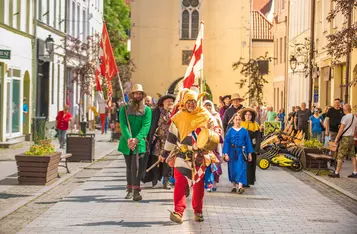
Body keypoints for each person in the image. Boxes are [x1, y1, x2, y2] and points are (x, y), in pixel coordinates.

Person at [158, 89, 222, 224]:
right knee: (180, 183)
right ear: (184, 103)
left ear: (197, 102)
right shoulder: (178, 117)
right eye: (189, 102)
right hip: (182, 155)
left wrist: (213, 130)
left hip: (199, 156)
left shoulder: (206, 115)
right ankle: (178, 212)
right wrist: (164, 153)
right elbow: (171, 137)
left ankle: (198, 211)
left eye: (193, 101)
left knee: (198, 185)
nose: (191, 104)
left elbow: (217, 133)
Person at [118, 84, 152, 201]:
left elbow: (146, 126)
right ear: (132, 95)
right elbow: (123, 125)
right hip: (126, 142)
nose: (138, 95)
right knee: (129, 167)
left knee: (137, 166)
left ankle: (136, 191)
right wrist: (129, 138)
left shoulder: (147, 110)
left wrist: (136, 139)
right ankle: (130, 189)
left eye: (140, 93)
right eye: (136, 93)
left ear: (142, 95)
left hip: (140, 142)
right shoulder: (124, 109)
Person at [144, 93, 176, 189]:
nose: (170, 102)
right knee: (155, 159)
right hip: (158, 140)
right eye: (168, 101)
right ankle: (155, 177)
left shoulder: (175, 113)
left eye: (171, 101)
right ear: (162, 103)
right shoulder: (156, 112)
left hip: (170, 142)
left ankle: (166, 181)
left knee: (168, 160)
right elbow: (151, 125)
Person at [223, 113, 254, 194]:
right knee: (233, 169)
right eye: (236, 119)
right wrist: (226, 154)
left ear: (241, 120)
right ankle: (234, 186)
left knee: (241, 168)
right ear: (233, 120)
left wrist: (250, 153)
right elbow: (226, 142)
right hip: (231, 151)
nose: (238, 121)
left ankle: (240, 187)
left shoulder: (244, 131)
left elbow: (248, 142)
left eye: (239, 119)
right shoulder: (230, 131)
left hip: (241, 152)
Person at [328, 104, 357, 178]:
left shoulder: (345, 117)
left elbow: (341, 129)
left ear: (345, 110)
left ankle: (337, 172)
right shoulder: (355, 117)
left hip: (345, 138)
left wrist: (337, 138)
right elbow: (356, 129)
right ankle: (355, 172)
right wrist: (353, 135)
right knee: (353, 155)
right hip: (351, 138)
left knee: (340, 155)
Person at [203, 100, 223, 192]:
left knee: (215, 166)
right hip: (204, 145)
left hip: (214, 145)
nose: (208, 108)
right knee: (206, 166)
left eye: (209, 106)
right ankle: (208, 183)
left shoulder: (216, 116)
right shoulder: (200, 116)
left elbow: (220, 130)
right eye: (206, 106)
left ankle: (213, 183)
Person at [239, 108, 261, 187]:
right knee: (242, 165)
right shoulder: (240, 124)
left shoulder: (256, 125)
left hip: (252, 147)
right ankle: (241, 181)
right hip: (242, 147)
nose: (248, 116)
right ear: (244, 115)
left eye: (250, 115)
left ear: (252, 116)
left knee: (250, 165)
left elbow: (258, 138)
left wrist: (256, 149)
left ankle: (248, 181)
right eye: (246, 115)